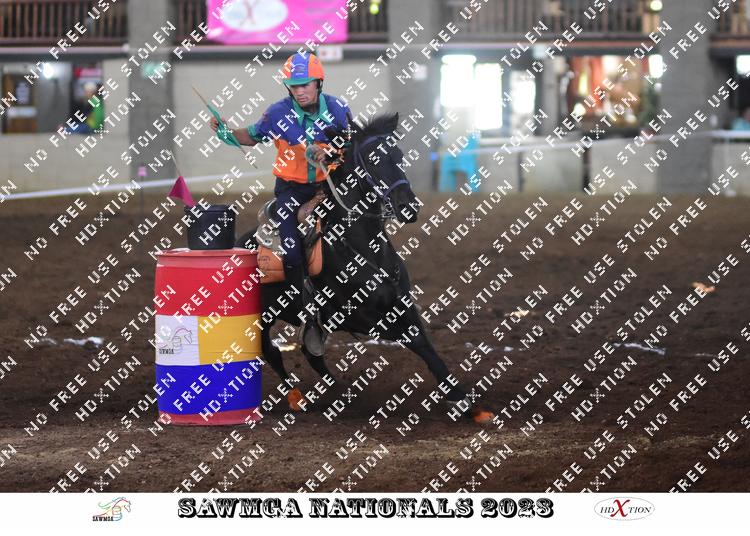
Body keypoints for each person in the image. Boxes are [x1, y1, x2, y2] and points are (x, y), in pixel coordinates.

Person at [210, 51, 351, 356]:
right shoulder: (277, 113)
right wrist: (225, 132)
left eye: (305, 84)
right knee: (291, 245)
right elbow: (251, 135)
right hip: (292, 191)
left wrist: (331, 153)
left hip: (331, 185)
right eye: (294, 85)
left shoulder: (339, 109)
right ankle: (309, 314)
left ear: (319, 82)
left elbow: (350, 144)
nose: (300, 91)